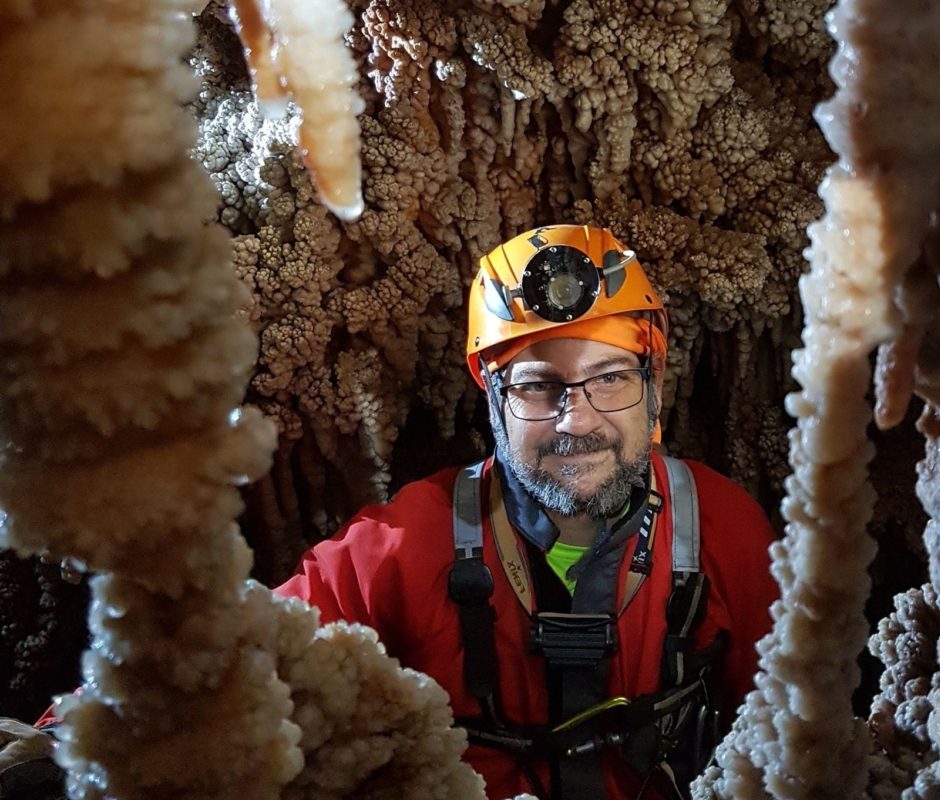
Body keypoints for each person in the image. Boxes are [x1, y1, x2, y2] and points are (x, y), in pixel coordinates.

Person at [16, 224, 780, 800]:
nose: (575, 419)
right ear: (492, 402)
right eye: (539, 387)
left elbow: (792, 727)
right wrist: (77, 739)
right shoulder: (411, 542)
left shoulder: (723, 530)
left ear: (652, 390)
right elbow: (246, 647)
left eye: (610, 377)